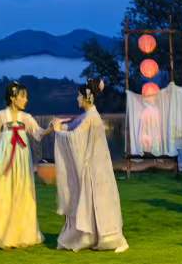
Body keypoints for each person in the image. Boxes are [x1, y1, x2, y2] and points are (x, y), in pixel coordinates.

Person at [50, 78, 127, 253]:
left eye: (79, 96)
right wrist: (61, 126)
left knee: (97, 202)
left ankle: (104, 237)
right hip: (95, 168)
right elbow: (73, 127)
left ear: (87, 97)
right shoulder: (87, 116)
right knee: (93, 202)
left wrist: (58, 131)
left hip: (95, 169)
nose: (77, 98)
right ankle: (93, 235)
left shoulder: (91, 117)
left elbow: (75, 138)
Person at [0, 82, 49, 249]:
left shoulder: (26, 117)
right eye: (23, 96)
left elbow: (38, 133)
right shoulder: (0, 116)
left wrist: (51, 128)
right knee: (4, 193)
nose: (26, 100)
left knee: (22, 192)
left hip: (21, 161)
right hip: (6, 162)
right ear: (13, 98)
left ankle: (21, 234)